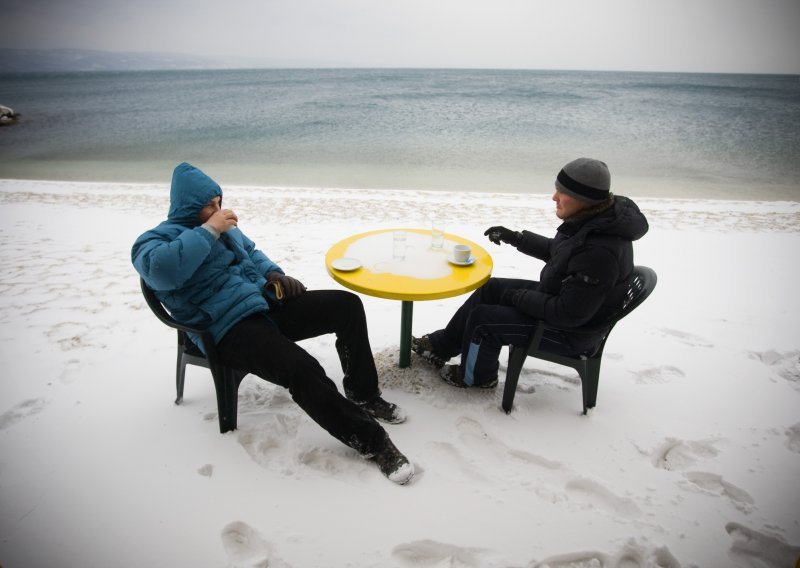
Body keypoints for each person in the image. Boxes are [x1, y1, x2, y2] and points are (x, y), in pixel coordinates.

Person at [132, 162, 414, 484]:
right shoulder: (153, 242)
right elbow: (163, 272)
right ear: (186, 207)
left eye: (218, 202)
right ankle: (373, 442)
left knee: (346, 306)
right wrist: (210, 230)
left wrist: (275, 274)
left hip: (262, 303)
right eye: (208, 206)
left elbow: (252, 252)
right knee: (301, 368)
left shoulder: (225, 227)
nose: (217, 209)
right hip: (227, 329)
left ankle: (363, 394)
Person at [412, 157, 649, 388]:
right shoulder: (594, 220)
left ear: (584, 199)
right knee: (491, 288)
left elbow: (568, 314)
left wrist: (517, 298)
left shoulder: (599, 251)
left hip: (570, 332)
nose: (554, 197)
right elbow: (560, 252)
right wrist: (515, 238)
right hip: (564, 298)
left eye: (562, 193)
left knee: (484, 319)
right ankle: (441, 346)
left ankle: (475, 378)